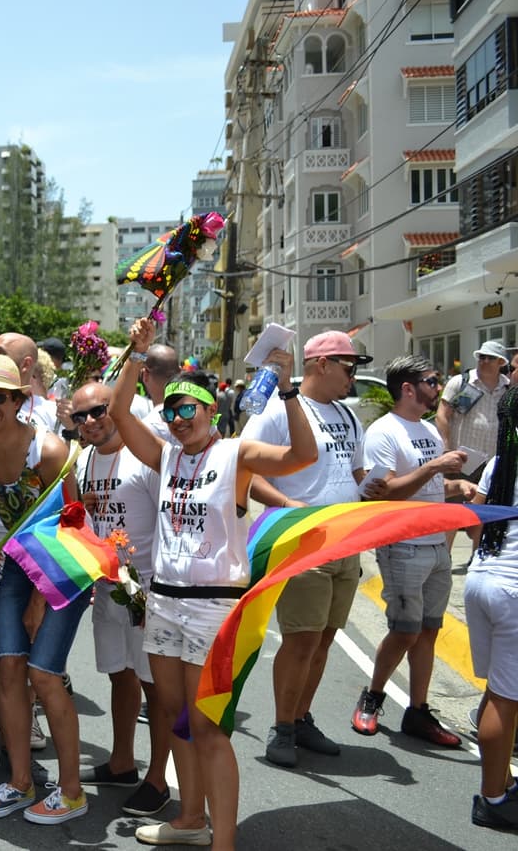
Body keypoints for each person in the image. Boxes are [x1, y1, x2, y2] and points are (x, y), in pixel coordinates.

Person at [109, 317, 316, 851]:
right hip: (164, 602)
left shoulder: (235, 455)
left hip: (214, 609)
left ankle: (222, 841)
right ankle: (189, 819)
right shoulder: (167, 455)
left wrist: (288, 389)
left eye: (188, 409)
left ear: (209, 410)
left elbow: (302, 456)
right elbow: (116, 413)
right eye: (170, 410)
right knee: (175, 719)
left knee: (208, 728)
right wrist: (134, 355)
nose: (178, 419)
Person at [243, 331, 384, 768]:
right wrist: (289, 506)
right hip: (302, 540)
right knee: (301, 640)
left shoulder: (347, 414)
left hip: (345, 539)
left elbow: (355, 470)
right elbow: (245, 467)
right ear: (321, 364)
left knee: (324, 638)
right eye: (348, 366)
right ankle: (282, 727)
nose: (353, 376)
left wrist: (368, 488)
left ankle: (301, 718)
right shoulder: (277, 410)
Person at [0, 356, 87, 825]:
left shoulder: (50, 451)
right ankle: (21, 781)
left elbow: (74, 526)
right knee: (7, 672)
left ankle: (71, 791)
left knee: (44, 675)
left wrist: (41, 596)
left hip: (64, 568)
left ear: (20, 400)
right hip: (16, 568)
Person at [354, 355, 473, 746]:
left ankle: (418, 712)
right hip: (403, 546)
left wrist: (458, 489)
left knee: (428, 633)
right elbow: (384, 493)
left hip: (437, 543)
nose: (438, 387)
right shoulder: (384, 432)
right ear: (408, 388)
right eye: (431, 380)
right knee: (404, 632)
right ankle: (372, 696)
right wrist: (436, 467)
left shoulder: (428, 430)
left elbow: (430, 489)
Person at [71, 380, 171, 818]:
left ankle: (158, 779)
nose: (90, 421)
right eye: (80, 416)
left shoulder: (143, 456)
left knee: (156, 686)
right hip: (108, 587)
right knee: (120, 676)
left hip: (146, 587)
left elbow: (170, 524)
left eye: (98, 410)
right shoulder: (85, 460)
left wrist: (160, 594)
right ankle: (123, 763)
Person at [467, 385, 518, 831]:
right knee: (506, 697)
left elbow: (474, 529)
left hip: (482, 581)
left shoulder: (500, 463)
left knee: (497, 692)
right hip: (515, 592)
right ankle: (494, 799)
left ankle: (500, 783)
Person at [437, 340, 510, 565]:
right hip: (463, 460)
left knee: (485, 514)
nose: (484, 362)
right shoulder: (464, 383)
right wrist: (447, 447)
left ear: (501, 362)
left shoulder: (508, 388)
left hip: (495, 463)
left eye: (489, 358)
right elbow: (443, 415)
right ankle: (443, 559)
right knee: (452, 511)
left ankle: (478, 558)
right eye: (481, 357)